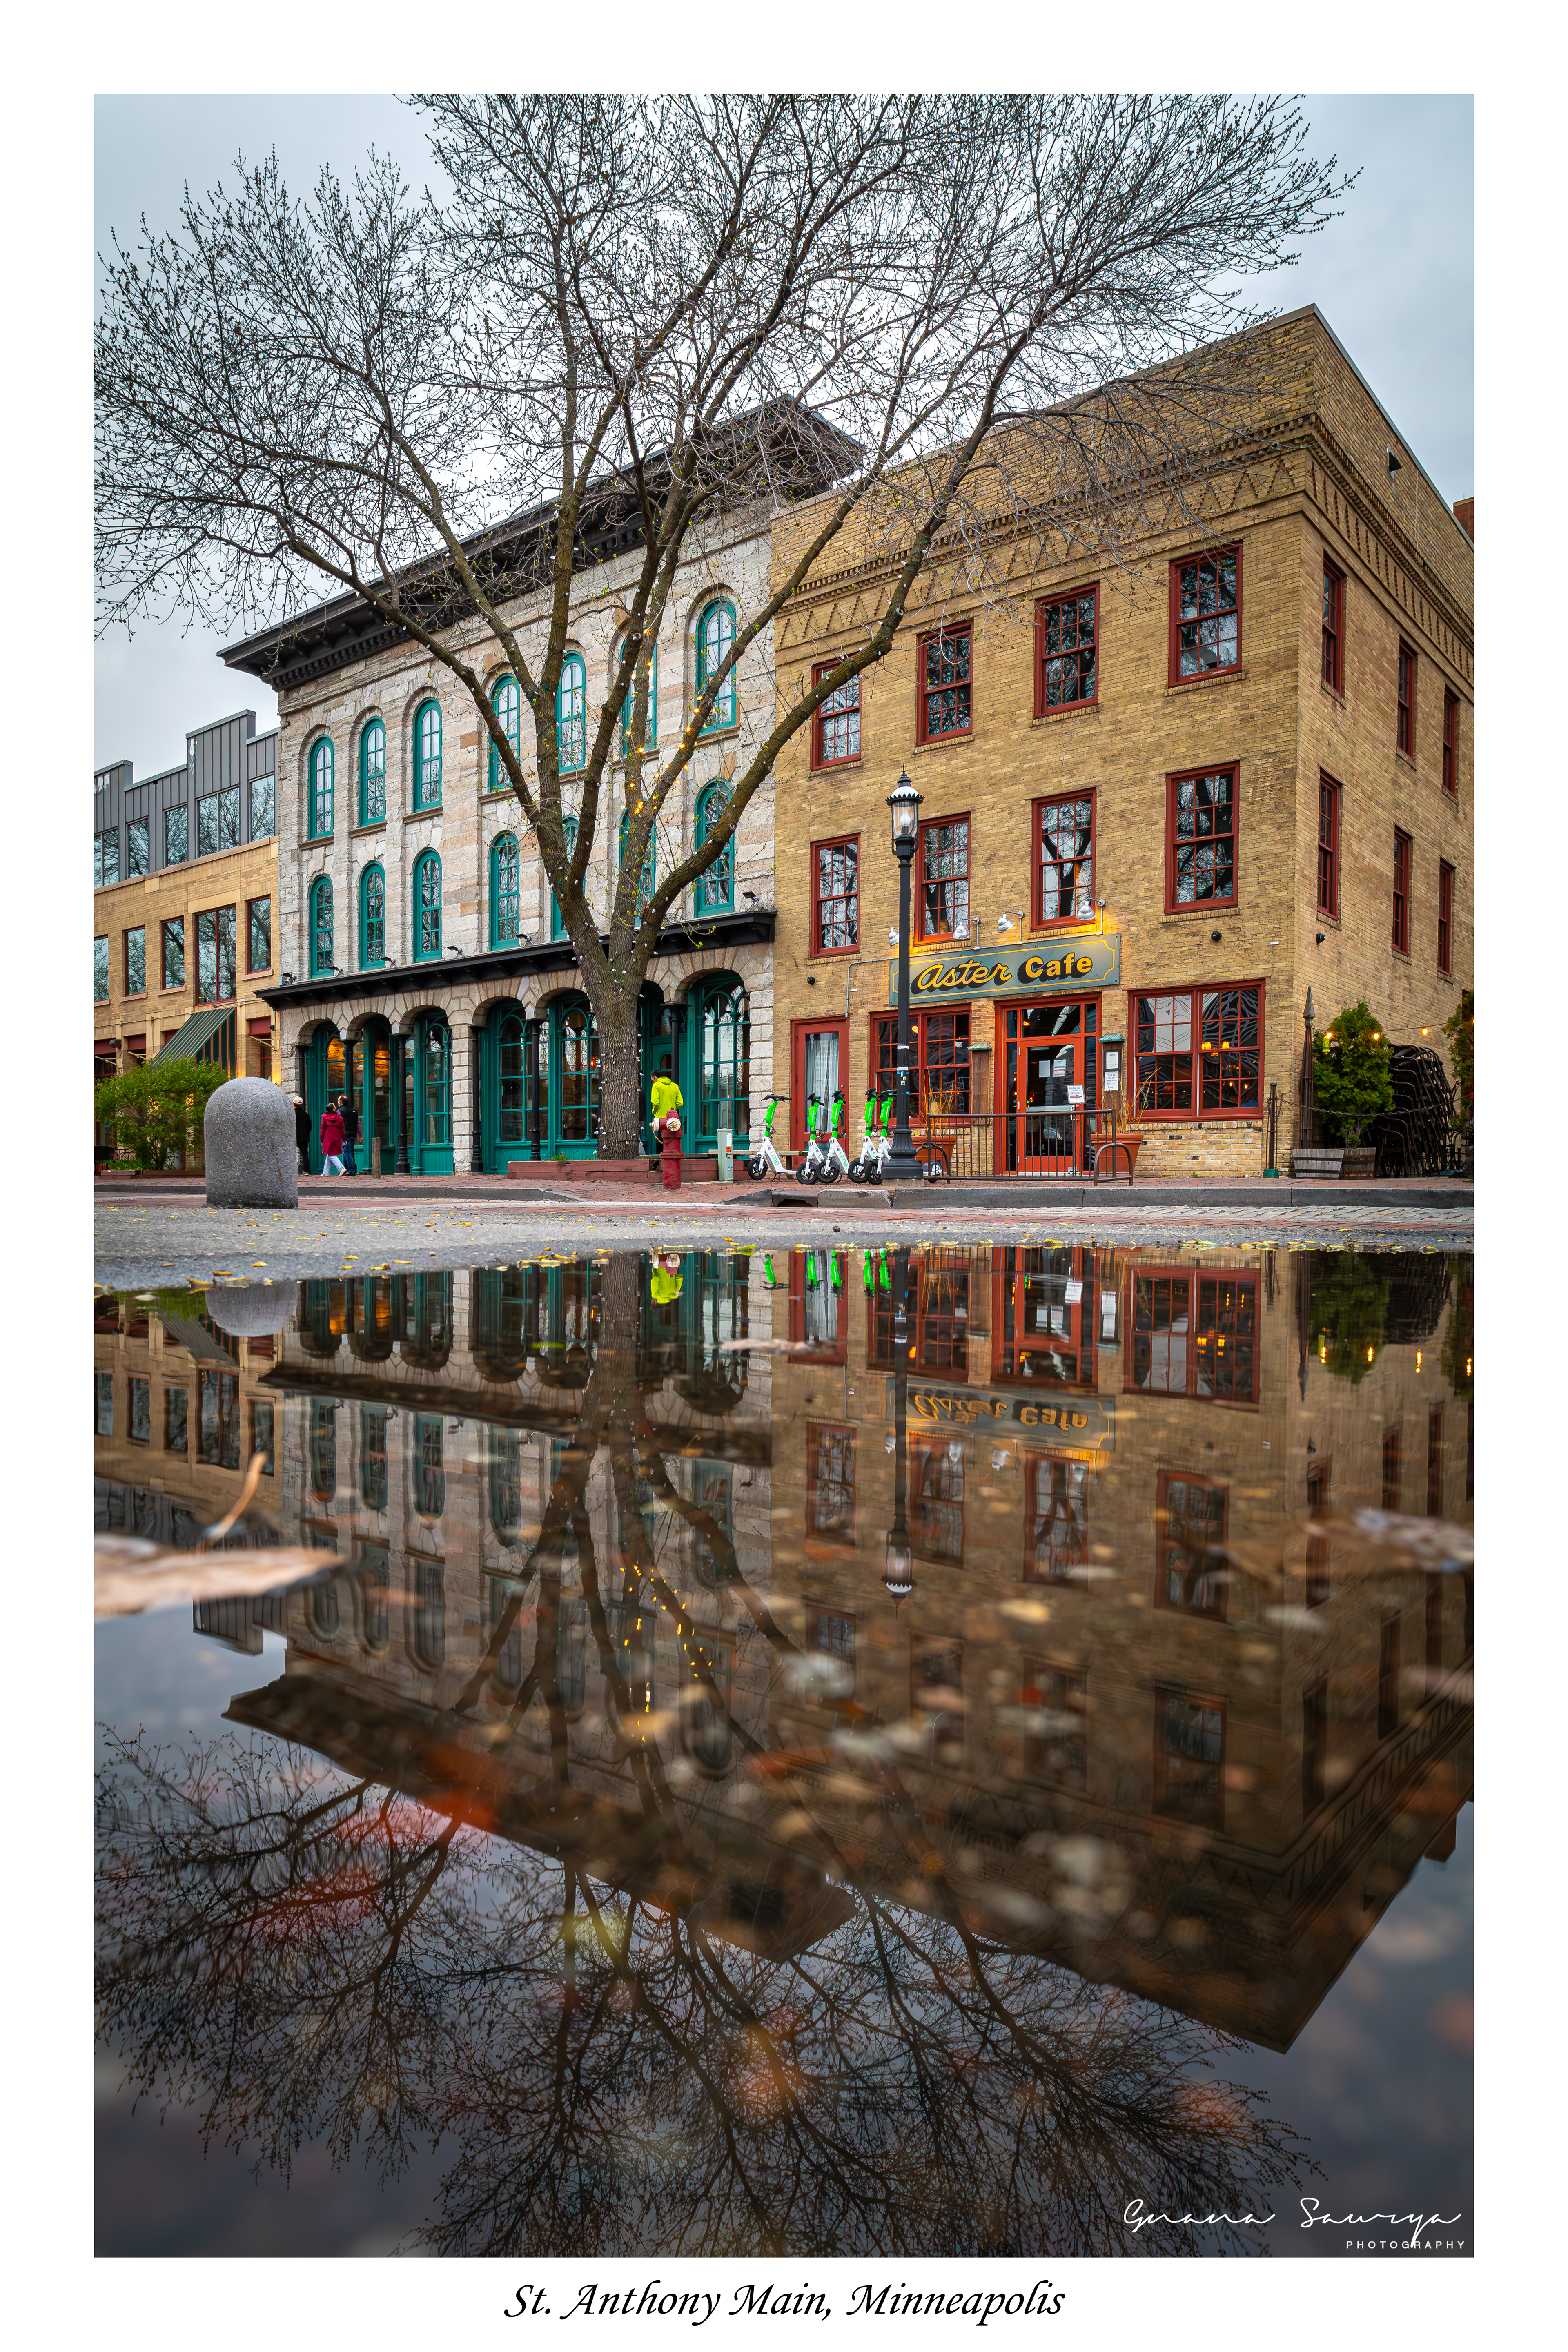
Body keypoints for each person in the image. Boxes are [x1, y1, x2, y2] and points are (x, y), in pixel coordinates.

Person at [649, 1055, 683, 1170]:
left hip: (661, 1118)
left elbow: (656, 1102)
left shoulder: (656, 1086)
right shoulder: (675, 1086)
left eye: (652, 1079)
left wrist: (655, 1111)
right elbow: (680, 1103)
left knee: (660, 1141)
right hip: (674, 1119)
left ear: (654, 1078)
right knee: (673, 1140)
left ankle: (659, 1162)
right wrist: (672, 1109)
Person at [319, 1098, 347, 1176]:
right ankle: (326, 1173)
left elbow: (323, 1130)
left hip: (328, 1138)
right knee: (330, 1154)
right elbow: (343, 1130)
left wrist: (322, 1139)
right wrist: (344, 1139)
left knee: (331, 1154)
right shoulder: (340, 1118)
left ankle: (341, 1168)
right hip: (337, 1138)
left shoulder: (325, 1118)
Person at [338, 1091, 361, 1176]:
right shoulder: (354, 1111)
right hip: (352, 1134)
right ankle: (346, 1169)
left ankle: (351, 1170)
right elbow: (358, 1124)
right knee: (346, 1151)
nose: (338, 1102)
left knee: (347, 1152)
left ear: (342, 1102)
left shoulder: (340, 1112)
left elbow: (338, 1125)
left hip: (345, 1135)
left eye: (339, 1101)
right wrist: (359, 1134)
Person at [292, 1094, 311, 1173]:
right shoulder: (306, 1115)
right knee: (305, 1153)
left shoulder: (293, 1114)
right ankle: (306, 1170)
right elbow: (310, 1126)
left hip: (294, 1137)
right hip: (304, 1137)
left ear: (294, 1104)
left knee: (291, 1154)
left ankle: (291, 1170)